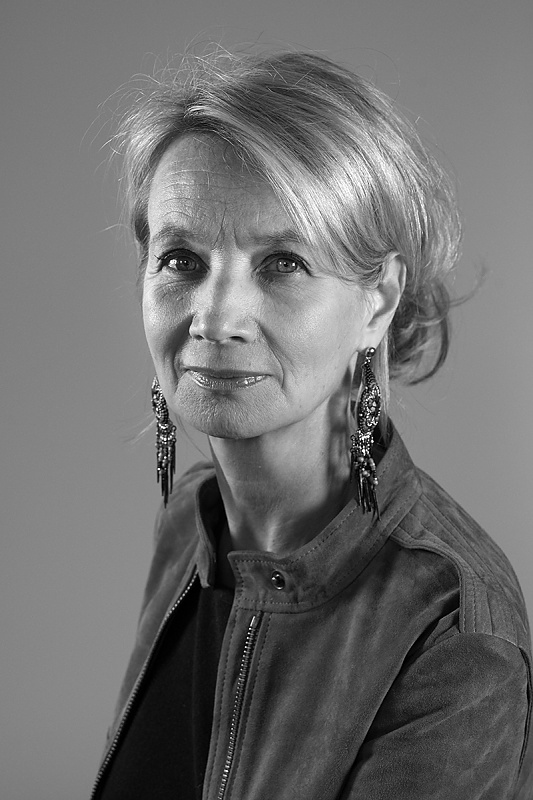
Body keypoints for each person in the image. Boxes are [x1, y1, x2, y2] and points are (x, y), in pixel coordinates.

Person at [91, 51, 532, 799]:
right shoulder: (190, 523)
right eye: (181, 259)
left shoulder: (452, 629)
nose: (216, 318)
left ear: (377, 301)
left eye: (282, 263)